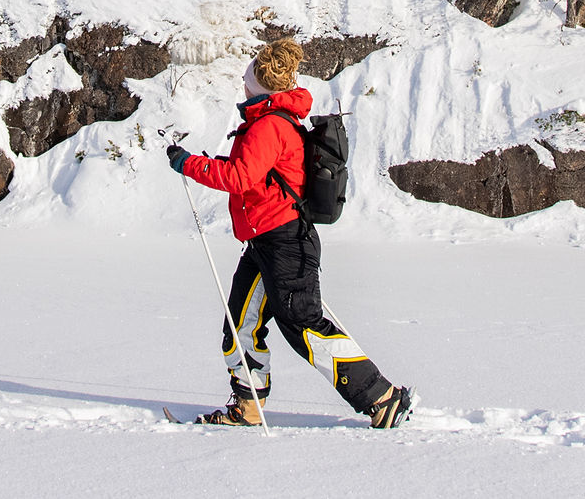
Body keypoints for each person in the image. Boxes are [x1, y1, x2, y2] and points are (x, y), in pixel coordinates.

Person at [166, 38, 413, 429]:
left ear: (257, 87)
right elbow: (254, 175)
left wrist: (188, 164)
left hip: (284, 241)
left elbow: (239, 177)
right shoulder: (269, 122)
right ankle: (248, 407)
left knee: (304, 325)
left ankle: (382, 397)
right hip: (266, 242)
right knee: (240, 325)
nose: (243, 86)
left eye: (247, 81)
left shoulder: (269, 126)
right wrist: (203, 163)